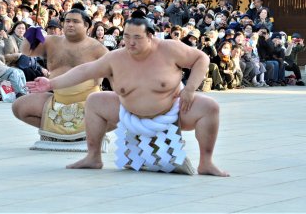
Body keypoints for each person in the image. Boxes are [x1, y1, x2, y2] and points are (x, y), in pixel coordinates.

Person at [26, 12, 229, 177]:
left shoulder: (170, 48)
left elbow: (201, 58)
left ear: (150, 36)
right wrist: (51, 83)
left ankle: (206, 162)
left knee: (209, 107)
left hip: (173, 110)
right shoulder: (116, 57)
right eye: (126, 37)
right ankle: (93, 157)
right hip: (128, 112)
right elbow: (85, 71)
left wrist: (191, 88)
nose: (130, 43)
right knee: (95, 100)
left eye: (137, 38)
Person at [12, 8, 109, 142]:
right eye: (67, 21)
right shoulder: (51, 41)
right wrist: (31, 35)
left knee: (118, 109)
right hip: (58, 100)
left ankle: (89, 130)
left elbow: (113, 73)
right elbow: (27, 51)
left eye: (75, 21)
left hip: (87, 103)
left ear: (86, 26)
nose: (70, 24)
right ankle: (56, 132)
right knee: (19, 107)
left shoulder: (98, 48)